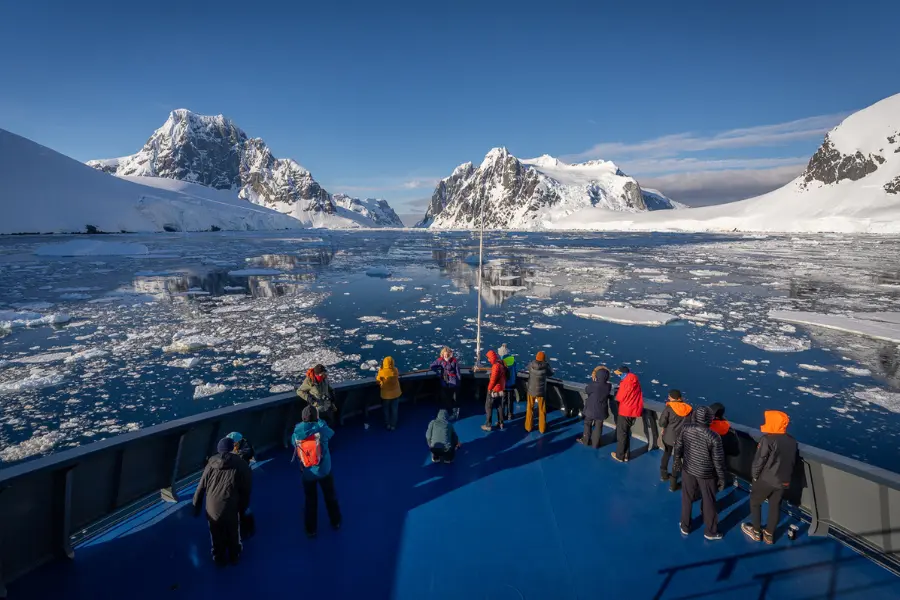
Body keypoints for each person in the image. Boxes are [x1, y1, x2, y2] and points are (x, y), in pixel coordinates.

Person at [193, 436, 253, 565]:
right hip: (230, 505)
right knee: (232, 531)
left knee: (216, 532)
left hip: (212, 506)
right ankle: (234, 556)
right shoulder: (240, 464)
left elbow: (201, 487)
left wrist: (196, 506)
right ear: (232, 448)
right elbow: (246, 488)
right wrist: (242, 507)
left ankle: (219, 558)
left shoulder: (211, 463)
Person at [742, 411, 799, 544]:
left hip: (766, 479)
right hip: (783, 481)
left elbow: (759, 460)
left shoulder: (768, 439)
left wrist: (755, 476)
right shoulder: (792, 441)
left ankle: (756, 531)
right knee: (775, 506)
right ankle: (769, 534)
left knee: (755, 502)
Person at [674, 406, 726, 540]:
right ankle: (710, 531)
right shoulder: (714, 437)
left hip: (688, 469)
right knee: (709, 501)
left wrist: (676, 461)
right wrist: (721, 478)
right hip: (706, 473)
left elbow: (678, 445)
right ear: (709, 419)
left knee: (687, 497)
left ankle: (685, 525)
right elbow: (718, 461)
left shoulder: (686, 429)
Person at [291, 406, 342, 538]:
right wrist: (320, 421)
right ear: (315, 417)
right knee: (330, 496)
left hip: (307, 473)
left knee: (310, 500)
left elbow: (293, 442)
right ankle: (335, 521)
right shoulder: (321, 430)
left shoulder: (296, 432)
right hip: (324, 470)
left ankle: (311, 529)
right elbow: (331, 433)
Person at [658, 390, 692, 490]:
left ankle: (663, 475)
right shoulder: (688, 409)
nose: (668, 398)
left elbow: (661, 423)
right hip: (682, 438)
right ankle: (673, 484)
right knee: (677, 459)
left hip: (668, 436)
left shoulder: (669, 408)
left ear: (673, 398)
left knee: (667, 453)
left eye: (669, 397)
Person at [226, 431, 256, 538]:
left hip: (242, 481)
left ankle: (248, 528)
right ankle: (246, 527)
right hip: (238, 480)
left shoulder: (244, 452)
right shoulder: (243, 448)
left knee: (242, 505)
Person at [611, 366, 643, 462]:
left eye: (619, 374)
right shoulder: (634, 380)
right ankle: (626, 455)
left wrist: (619, 391)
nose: (619, 376)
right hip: (633, 410)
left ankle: (619, 455)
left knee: (622, 433)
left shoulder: (626, 383)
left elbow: (620, 397)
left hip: (625, 410)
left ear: (624, 374)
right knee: (627, 432)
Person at [582, 366, 611, 448]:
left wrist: (594, 381)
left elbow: (587, 390)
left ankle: (586, 440)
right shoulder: (608, 386)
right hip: (601, 410)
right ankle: (595, 443)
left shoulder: (593, 385)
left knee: (587, 423)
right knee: (599, 426)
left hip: (591, 409)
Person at [525, 351, 553, 434]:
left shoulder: (531, 364)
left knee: (530, 408)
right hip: (541, 392)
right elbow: (551, 373)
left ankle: (528, 427)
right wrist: (548, 363)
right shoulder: (546, 367)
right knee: (542, 410)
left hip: (531, 390)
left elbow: (527, 368)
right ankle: (542, 428)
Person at [431, 347, 462, 419]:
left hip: (453, 382)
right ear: (442, 354)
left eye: (447, 355)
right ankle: (448, 411)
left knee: (455, 398)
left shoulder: (454, 361)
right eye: (445, 355)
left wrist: (458, 382)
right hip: (444, 381)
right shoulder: (440, 360)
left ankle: (455, 412)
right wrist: (438, 372)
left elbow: (458, 372)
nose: (446, 356)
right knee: (446, 397)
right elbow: (432, 366)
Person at [482, 349, 507, 431]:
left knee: (488, 406)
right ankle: (501, 423)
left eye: (489, 358)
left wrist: (489, 389)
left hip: (494, 390)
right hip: (501, 389)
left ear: (492, 358)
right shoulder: (501, 363)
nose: (488, 360)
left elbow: (493, 380)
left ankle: (488, 425)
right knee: (499, 406)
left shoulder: (495, 366)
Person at [376, 356, 402, 430]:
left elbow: (378, 380)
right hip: (396, 394)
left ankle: (388, 424)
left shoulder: (382, 371)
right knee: (394, 410)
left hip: (386, 395)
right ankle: (393, 425)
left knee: (386, 409)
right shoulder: (395, 370)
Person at [498, 343, 518, 420]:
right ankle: (510, 414)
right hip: (511, 383)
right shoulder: (513, 360)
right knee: (510, 399)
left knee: (503, 399)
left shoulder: (501, 361)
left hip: (504, 384)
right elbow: (516, 371)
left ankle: (502, 415)